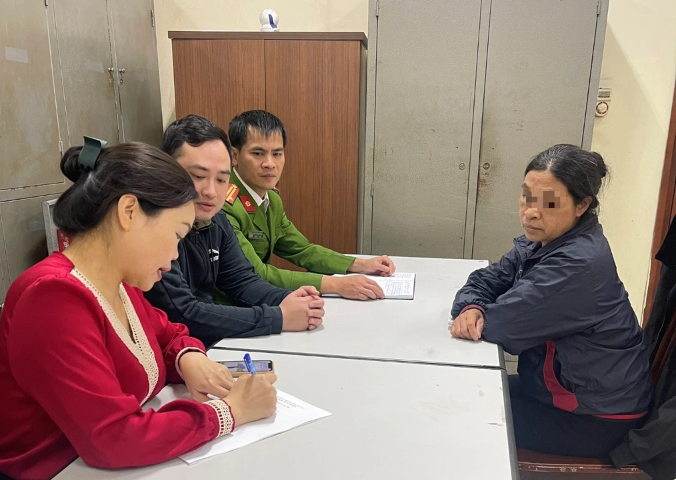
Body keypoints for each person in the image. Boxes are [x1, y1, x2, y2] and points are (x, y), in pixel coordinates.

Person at [0, 141, 278, 480]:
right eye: (176, 235)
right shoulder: (52, 298)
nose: (175, 255)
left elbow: (170, 335)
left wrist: (189, 359)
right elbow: (112, 438)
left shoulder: (119, 283)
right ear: (129, 211)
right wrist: (230, 411)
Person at [449, 144, 652, 458]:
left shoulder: (577, 264)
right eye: (526, 196)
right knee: (454, 390)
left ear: (582, 205)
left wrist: (482, 315)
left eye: (549, 203)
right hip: (553, 390)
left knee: (456, 413)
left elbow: (503, 326)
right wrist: (472, 306)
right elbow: (485, 280)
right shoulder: (544, 241)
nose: (531, 211)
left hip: (595, 417)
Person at [146, 115, 325, 348]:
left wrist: (290, 299)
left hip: (195, 349)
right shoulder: (151, 228)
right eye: (198, 176)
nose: (211, 191)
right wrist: (278, 317)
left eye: (222, 180)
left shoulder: (216, 220)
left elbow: (242, 281)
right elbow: (183, 313)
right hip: (165, 352)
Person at [222, 110, 396, 300]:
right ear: (235, 156)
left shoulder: (271, 199)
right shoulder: (223, 205)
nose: (270, 164)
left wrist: (361, 264)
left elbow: (301, 250)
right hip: (229, 307)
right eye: (258, 153)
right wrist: (336, 285)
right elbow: (256, 273)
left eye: (277, 154)